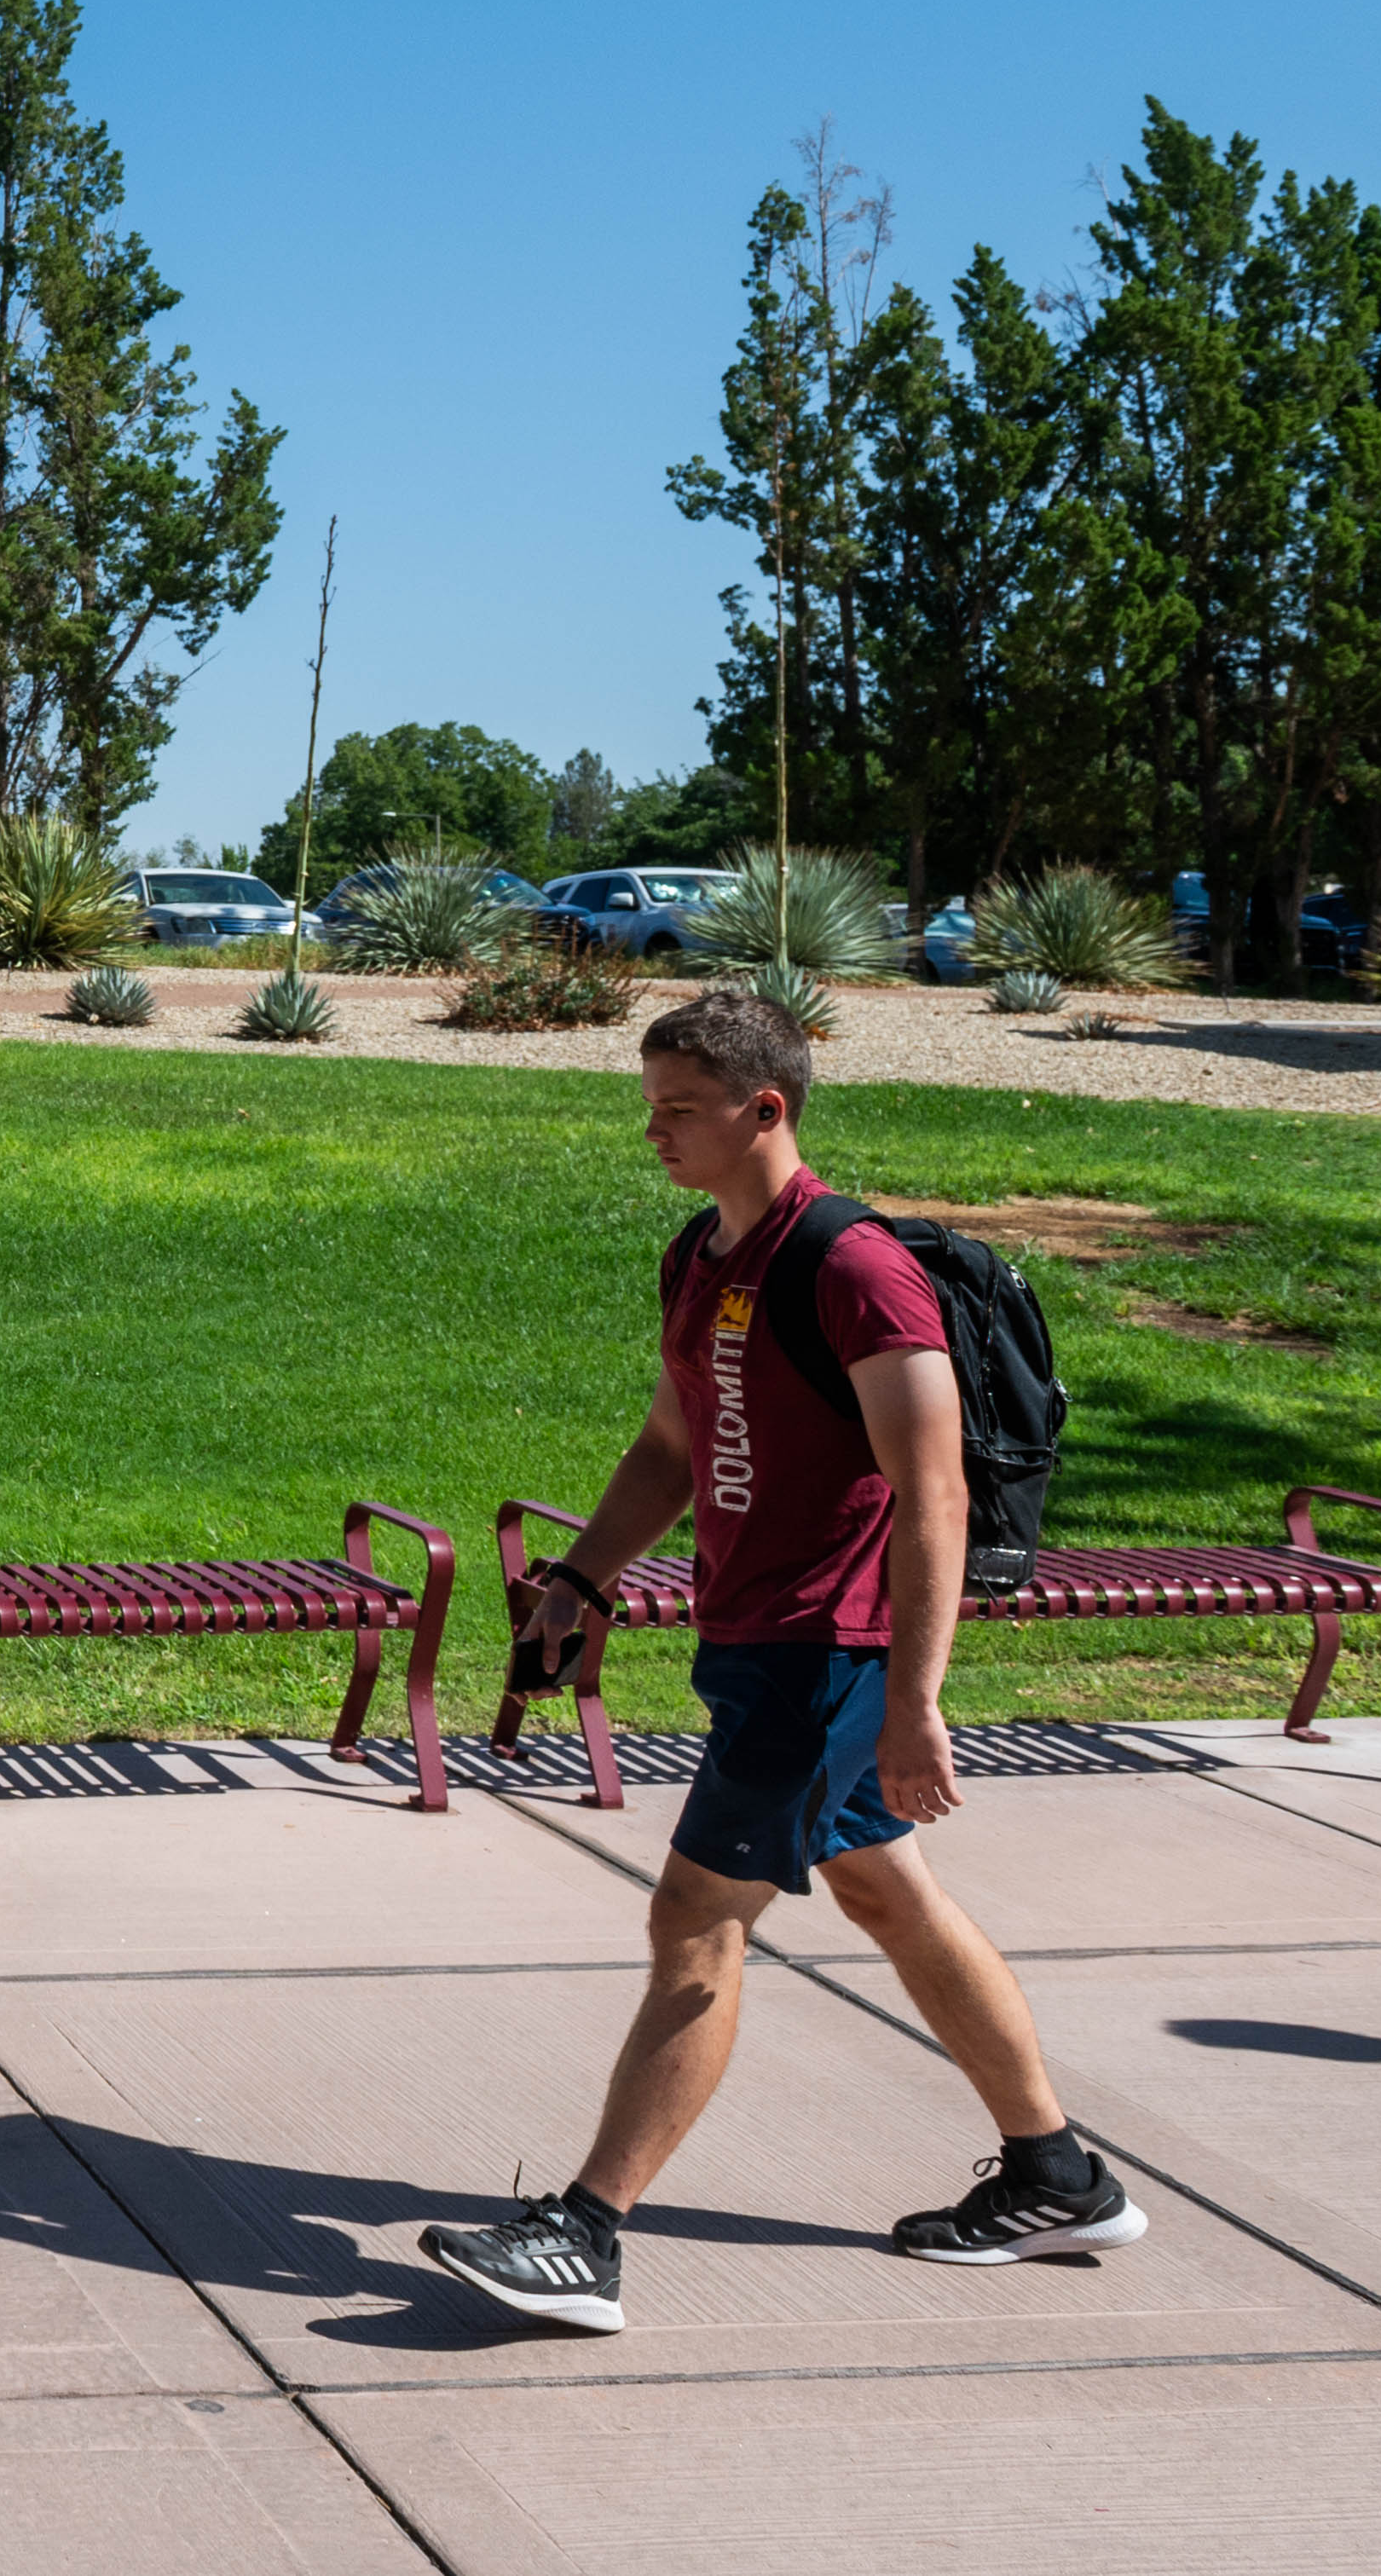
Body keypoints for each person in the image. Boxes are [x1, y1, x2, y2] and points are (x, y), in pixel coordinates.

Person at [419, 986, 1141, 2336]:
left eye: (679, 1109)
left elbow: (932, 1497)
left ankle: (586, 2229)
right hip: (752, 1638)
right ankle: (1056, 2173)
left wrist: (915, 1701)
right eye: (648, 1107)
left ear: (768, 1108)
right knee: (888, 1897)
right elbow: (669, 1447)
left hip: (829, 1650)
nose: (655, 1132)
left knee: (692, 1915)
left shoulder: (854, 1268)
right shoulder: (699, 1254)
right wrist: (585, 1572)